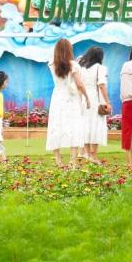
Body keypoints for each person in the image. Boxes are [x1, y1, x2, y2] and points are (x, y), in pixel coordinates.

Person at [46, 38, 91, 167]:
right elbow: (80, 84)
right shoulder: (73, 65)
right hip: (71, 98)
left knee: (56, 126)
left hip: (57, 96)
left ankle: (58, 160)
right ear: (69, 49)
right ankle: (72, 160)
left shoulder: (51, 63)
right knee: (74, 126)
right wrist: (87, 98)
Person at [78, 46, 110, 164]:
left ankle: (86, 153)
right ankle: (93, 155)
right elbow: (101, 85)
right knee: (96, 125)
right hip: (96, 99)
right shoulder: (100, 68)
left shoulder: (81, 68)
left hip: (84, 99)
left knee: (85, 125)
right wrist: (107, 101)